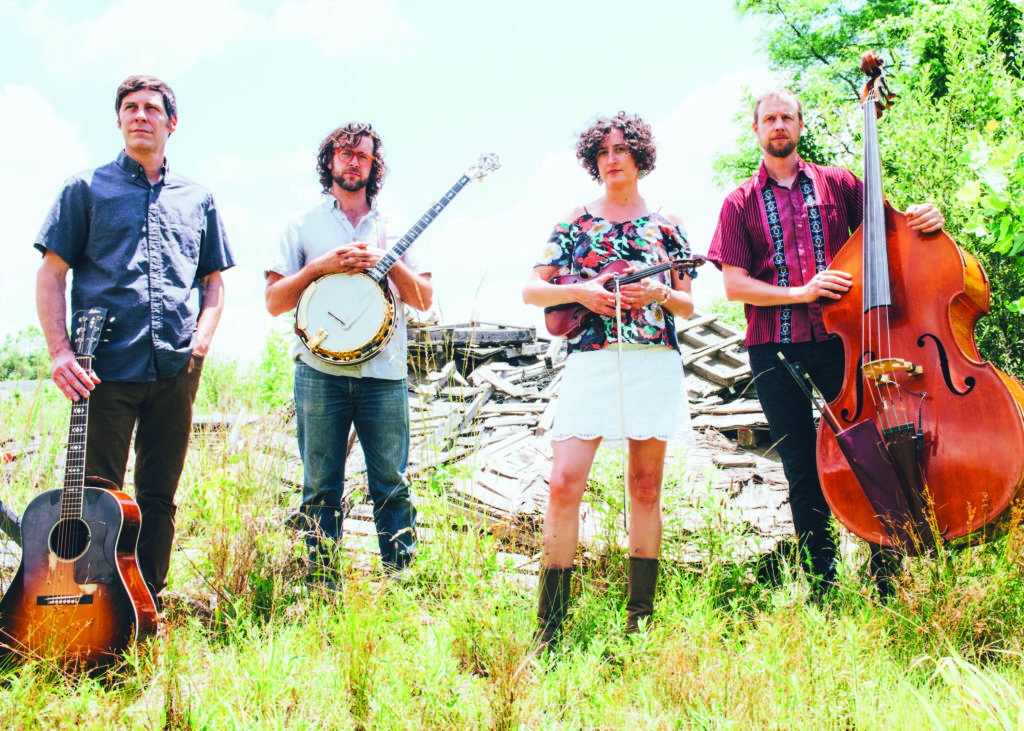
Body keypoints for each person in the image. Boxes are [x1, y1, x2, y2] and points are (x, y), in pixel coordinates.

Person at [707, 88, 944, 595]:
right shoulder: (738, 202)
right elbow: (733, 285)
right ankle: (823, 582)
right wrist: (801, 292)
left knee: (871, 452)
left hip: (846, 343)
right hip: (774, 346)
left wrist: (925, 219)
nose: (778, 126)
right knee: (800, 466)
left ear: (799, 125)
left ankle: (886, 576)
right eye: (769, 118)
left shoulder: (840, 184)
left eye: (787, 117)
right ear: (757, 129)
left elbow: (893, 230)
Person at [34, 75, 235, 610]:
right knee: (97, 495)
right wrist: (60, 353)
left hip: (175, 366)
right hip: (102, 367)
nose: (139, 115)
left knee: (157, 496)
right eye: (129, 107)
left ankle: (145, 606)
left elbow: (213, 282)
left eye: (151, 108)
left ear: (172, 122)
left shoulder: (199, 198)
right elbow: (52, 274)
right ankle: (90, 607)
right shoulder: (85, 189)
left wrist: (200, 344)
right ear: (119, 120)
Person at [522, 112, 697, 648]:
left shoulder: (666, 222)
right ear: (592, 160)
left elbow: (689, 304)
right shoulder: (575, 221)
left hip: (652, 360)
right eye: (602, 151)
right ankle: (550, 629)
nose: (612, 158)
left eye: (622, 148)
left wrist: (659, 294)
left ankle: (639, 623)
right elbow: (533, 290)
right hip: (591, 361)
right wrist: (583, 293)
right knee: (563, 483)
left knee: (645, 488)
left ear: (639, 155)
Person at [265, 122, 432, 584]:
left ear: (374, 163)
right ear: (329, 161)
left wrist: (389, 259)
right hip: (319, 373)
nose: (352, 160)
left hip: (384, 373)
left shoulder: (396, 226)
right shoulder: (301, 225)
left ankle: (400, 584)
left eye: (362, 154)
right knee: (319, 486)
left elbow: (423, 299)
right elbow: (275, 301)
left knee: (392, 485)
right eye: (344, 153)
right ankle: (321, 586)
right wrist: (321, 266)